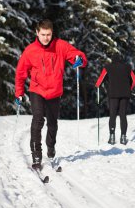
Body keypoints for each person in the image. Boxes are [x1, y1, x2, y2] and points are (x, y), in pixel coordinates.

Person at [15, 19, 87, 169]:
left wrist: (79, 60)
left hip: (54, 91)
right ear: (37, 33)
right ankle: (36, 155)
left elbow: (78, 56)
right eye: (43, 34)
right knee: (38, 119)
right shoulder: (30, 50)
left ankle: (51, 147)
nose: (46, 38)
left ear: (52, 33)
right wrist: (19, 93)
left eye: (48, 34)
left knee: (52, 124)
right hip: (37, 90)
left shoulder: (60, 46)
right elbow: (21, 72)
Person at [95, 53, 135, 145]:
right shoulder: (127, 67)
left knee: (112, 115)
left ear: (112, 59)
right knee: (123, 115)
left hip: (113, 95)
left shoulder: (108, 67)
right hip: (125, 95)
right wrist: (129, 88)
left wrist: (99, 86)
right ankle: (123, 137)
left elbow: (99, 81)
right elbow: (134, 80)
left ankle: (112, 137)